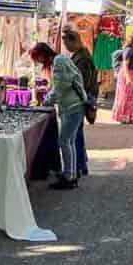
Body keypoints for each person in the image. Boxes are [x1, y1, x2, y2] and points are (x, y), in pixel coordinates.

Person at [33, 42, 87, 190]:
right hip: (74, 106)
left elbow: (60, 87)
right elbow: (59, 86)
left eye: (38, 59)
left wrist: (46, 101)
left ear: (43, 55)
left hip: (72, 106)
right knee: (69, 141)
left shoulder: (59, 62)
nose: (39, 63)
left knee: (64, 141)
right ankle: (72, 174)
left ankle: (69, 176)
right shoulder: (61, 59)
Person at [62, 28, 98, 178]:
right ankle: (81, 164)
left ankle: (77, 166)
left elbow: (81, 81)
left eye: (67, 44)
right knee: (77, 134)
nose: (66, 48)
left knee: (73, 136)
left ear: (74, 41)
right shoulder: (80, 55)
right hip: (82, 98)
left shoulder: (82, 58)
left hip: (79, 99)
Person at [111, 32, 133, 124]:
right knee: (125, 95)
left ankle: (131, 115)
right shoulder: (128, 50)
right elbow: (125, 64)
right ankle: (123, 116)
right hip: (128, 73)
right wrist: (127, 77)